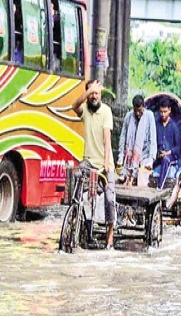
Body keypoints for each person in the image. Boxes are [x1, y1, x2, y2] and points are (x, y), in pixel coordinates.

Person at [71, 79, 116, 249]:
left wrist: (105, 165)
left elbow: (107, 140)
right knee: (78, 186)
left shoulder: (106, 111)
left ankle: (109, 236)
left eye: (97, 93)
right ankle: (81, 224)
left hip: (105, 163)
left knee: (110, 199)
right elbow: (74, 105)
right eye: (91, 94)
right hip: (88, 161)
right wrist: (88, 91)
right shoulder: (85, 111)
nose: (94, 96)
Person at [117, 94, 156, 184]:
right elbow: (123, 136)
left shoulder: (149, 116)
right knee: (126, 181)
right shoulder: (129, 116)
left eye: (140, 111)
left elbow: (152, 139)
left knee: (142, 181)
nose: (138, 113)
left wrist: (150, 160)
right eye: (136, 111)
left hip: (145, 154)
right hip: (130, 155)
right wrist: (121, 156)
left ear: (144, 107)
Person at [153, 100, 181, 185]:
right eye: (161, 112)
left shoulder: (174, 127)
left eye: (165, 112)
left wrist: (167, 153)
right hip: (158, 154)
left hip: (170, 156)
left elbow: (178, 147)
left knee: (165, 160)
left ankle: (159, 187)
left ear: (169, 110)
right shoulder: (156, 124)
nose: (163, 114)